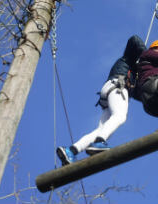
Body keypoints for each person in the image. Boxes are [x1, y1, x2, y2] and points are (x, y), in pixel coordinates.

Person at [56, 35, 146, 166]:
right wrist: (146, 53)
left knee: (101, 129)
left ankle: (71, 150)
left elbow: (141, 95)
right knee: (120, 117)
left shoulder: (134, 76)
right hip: (117, 87)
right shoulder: (129, 58)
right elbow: (134, 39)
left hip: (109, 92)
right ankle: (99, 142)